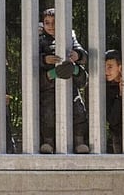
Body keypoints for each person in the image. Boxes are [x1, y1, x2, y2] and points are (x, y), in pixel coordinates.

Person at [38, 8, 90, 153]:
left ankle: (79, 141)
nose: (50, 26)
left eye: (54, 23)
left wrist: (77, 55)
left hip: (69, 85)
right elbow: (33, 60)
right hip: (49, 87)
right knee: (48, 114)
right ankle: (49, 142)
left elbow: (83, 55)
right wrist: (44, 59)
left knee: (78, 111)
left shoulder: (70, 38)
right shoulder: (41, 40)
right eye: (47, 22)